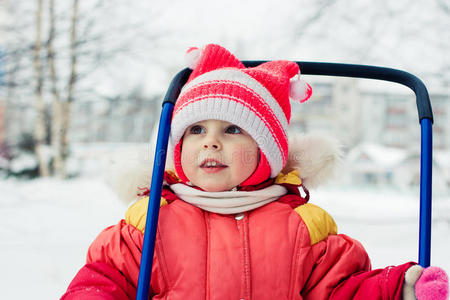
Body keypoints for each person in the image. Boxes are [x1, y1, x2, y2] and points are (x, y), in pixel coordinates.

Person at [62, 44, 448, 300]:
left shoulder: (302, 226)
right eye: (196, 130)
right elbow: (104, 278)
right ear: (177, 149)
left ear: (266, 153)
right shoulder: (149, 224)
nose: (210, 143)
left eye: (232, 130)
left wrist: (401, 288)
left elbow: (341, 290)